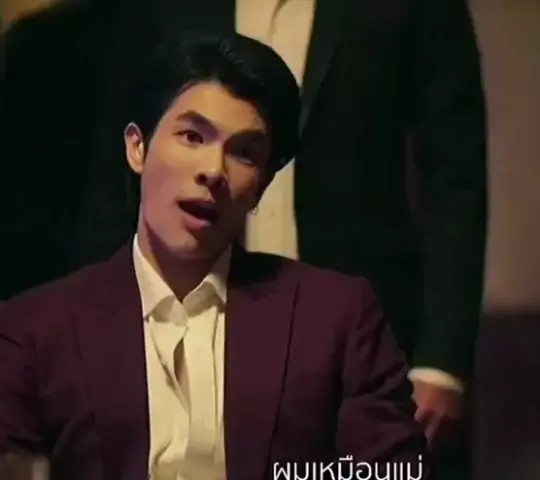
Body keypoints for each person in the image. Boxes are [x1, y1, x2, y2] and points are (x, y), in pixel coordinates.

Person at [0, 32, 427, 480]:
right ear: (137, 147)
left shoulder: (336, 317)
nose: (213, 171)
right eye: (192, 136)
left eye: (244, 153)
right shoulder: (32, 331)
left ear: (261, 186)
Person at [75, 0, 487, 459]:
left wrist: (441, 361)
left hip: (367, 335)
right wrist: (98, 341)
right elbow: (115, 181)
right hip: (190, 328)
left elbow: (455, 180)